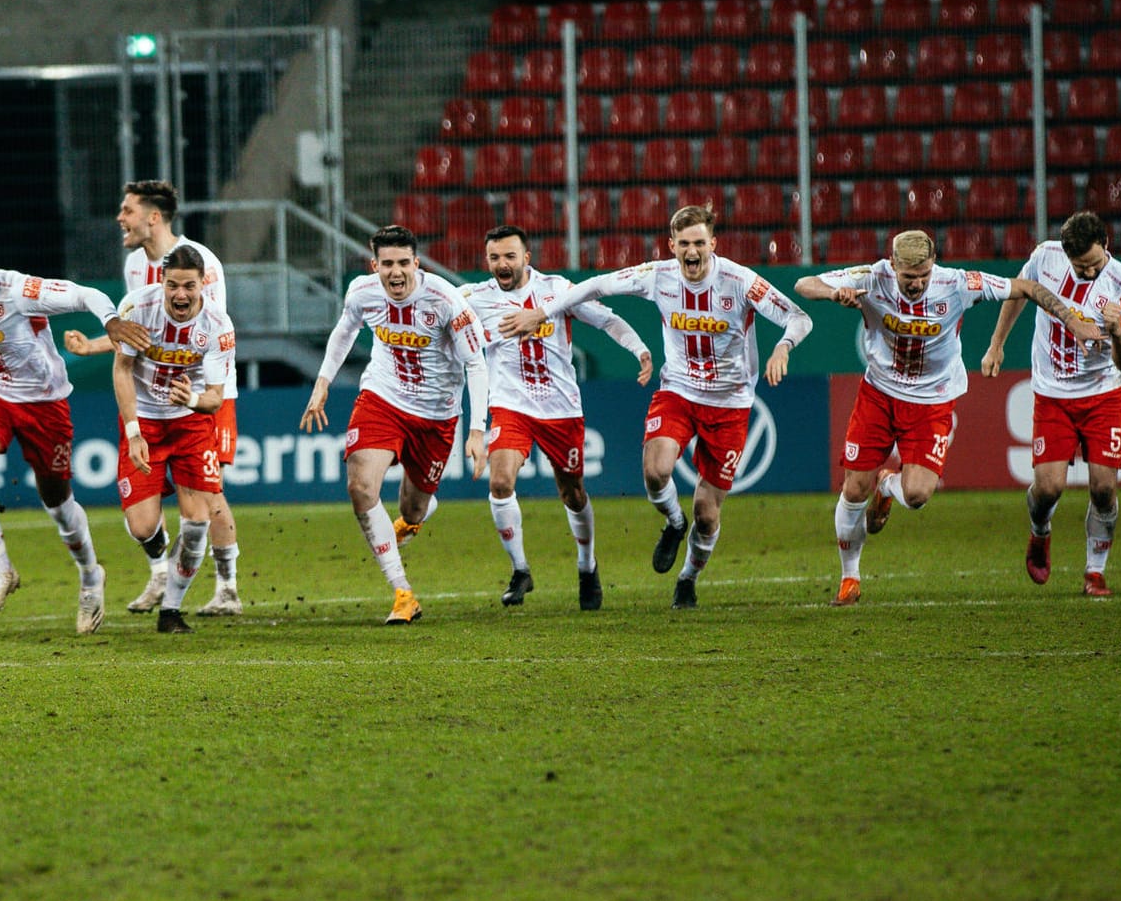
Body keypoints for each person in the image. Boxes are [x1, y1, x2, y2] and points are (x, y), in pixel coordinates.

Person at [501, 204, 811, 610]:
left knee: (707, 513)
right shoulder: (657, 276)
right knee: (654, 470)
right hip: (678, 391)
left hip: (730, 403)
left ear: (712, 245)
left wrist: (783, 347)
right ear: (672, 246)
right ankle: (672, 521)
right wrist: (543, 312)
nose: (691, 251)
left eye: (699, 243)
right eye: (684, 244)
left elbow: (799, 318)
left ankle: (688, 578)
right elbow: (595, 286)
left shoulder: (739, 281)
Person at [795, 229, 1104, 607]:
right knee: (853, 489)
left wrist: (1072, 321)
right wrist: (833, 293)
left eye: (924, 275)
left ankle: (888, 486)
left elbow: (1025, 287)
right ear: (893, 266)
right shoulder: (872, 277)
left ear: (933, 264)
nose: (918, 284)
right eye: (909, 278)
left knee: (918, 494)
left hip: (932, 402)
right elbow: (803, 283)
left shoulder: (957, 283)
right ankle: (850, 577)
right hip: (879, 394)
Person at [0, 223, 147, 634]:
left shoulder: (19, 291)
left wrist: (111, 322)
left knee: (57, 503)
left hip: (44, 402)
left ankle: (91, 576)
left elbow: (86, 294)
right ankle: (2, 569)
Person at [63, 180, 243, 617]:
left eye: (127, 210)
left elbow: (202, 335)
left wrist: (199, 398)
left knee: (208, 491)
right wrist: (95, 344)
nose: (120, 219)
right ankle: (162, 575)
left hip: (204, 392)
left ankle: (227, 587)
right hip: (155, 394)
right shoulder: (133, 269)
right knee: (149, 509)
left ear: (153, 217)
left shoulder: (203, 263)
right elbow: (142, 336)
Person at [300, 225, 489, 625]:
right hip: (382, 399)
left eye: (404, 263)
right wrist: (322, 385)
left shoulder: (445, 300)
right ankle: (403, 594)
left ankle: (408, 523)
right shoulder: (362, 292)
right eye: (387, 264)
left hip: (436, 415)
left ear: (416, 264)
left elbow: (475, 363)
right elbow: (344, 332)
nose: (396, 272)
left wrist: (477, 430)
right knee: (360, 485)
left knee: (413, 508)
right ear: (375, 265)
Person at [463, 225, 652, 610]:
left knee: (573, 492)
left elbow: (606, 319)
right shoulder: (474, 298)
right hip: (510, 405)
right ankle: (520, 570)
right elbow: (439, 312)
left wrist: (641, 350)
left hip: (560, 409)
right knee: (500, 482)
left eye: (509, 256)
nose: (502, 264)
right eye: (495, 257)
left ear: (526, 258)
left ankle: (587, 566)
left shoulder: (558, 290)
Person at [981, 211, 1121, 598]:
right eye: (1078, 267)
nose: (1085, 273)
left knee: (1103, 489)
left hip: (1103, 393)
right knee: (1049, 488)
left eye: (1091, 265)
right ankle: (1040, 532)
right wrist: (996, 344)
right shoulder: (1046, 257)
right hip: (1053, 393)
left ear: (1106, 244)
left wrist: (1118, 331)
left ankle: (1095, 572)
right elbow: (1019, 293)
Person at [112, 243, 237, 633]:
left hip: (190, 422)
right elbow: (121, 369)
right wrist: (133, 432)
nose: (180, 295)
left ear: (203, 285)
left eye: (188, 286)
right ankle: (160, 548)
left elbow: (216, 398)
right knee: (142, 528)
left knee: (198, 521)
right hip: (145, 420)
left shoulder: (218, 326)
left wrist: (193, 399)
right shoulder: (137, 308)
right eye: (172, 286)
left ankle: (172, 609)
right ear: (161, 283)